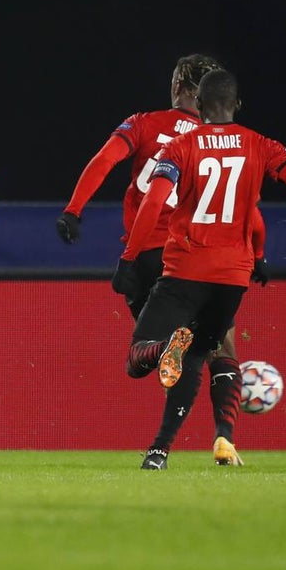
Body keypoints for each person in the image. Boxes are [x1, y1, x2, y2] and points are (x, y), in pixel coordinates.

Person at [113, 68, 286, 470]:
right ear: (236, 105)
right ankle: (212, 440)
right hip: (232, 279)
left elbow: (154, 203)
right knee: (210, 353)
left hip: (186, 269)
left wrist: (130, 258)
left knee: (139, 357)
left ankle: (167, 357)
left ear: (199, 106)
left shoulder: (182, 147)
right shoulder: (262, 146)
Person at [56, 54, 263, 466]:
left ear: (177, 89)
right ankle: (217, 439)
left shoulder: (143, 124)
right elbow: (247, 206)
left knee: (162, 353)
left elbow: (103, 161)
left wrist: (74, 209)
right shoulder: (223, 142)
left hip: (147, 257)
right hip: (196, 256)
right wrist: (258, 253)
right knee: (218, 349)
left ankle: (162, 443)